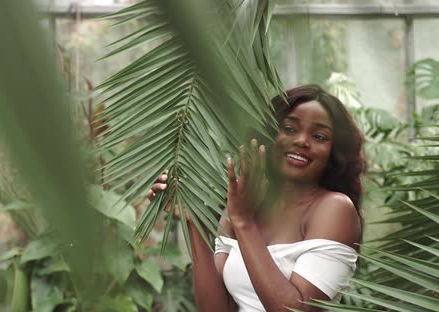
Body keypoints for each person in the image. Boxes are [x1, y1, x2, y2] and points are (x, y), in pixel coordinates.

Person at [148, 84, 365, 312]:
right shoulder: (244, 200)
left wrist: (244, 221)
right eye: (290, 129)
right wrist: (194, 220)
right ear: (269, 136)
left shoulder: (334, 209)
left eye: (319, 136)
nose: (302, 141)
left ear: (334, 151)